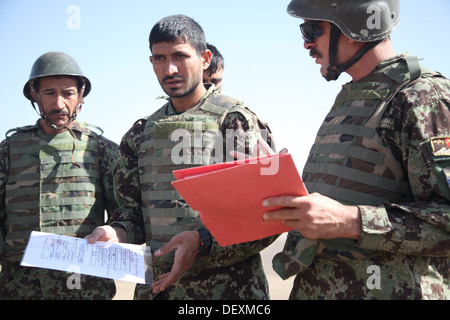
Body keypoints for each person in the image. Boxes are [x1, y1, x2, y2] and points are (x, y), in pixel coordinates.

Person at [261, 0, 450, 299]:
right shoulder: (355, 96)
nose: (307, 44)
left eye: (312, 30)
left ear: (353, 28)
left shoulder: (423, 98)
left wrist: (350, 221)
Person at [87, 14, 277, 300]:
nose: (170, 69)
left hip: (229, 291)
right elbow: (132, 215)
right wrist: (118, 233)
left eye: (180, 56)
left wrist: (202, 241)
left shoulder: (235, 121)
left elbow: (266, 216)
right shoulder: (140, 134)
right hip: (158, 290)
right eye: (159, 59)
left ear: (204, 58)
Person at [0, 51, 119, 299]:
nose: (58, 104)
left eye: (68, 94)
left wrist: (114, 233)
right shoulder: (9, 150)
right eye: (49, 93)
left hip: (87, 288)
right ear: (34, 94)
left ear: (81, 95)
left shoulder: (102, 150)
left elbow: (126, 215)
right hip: (21, 287)